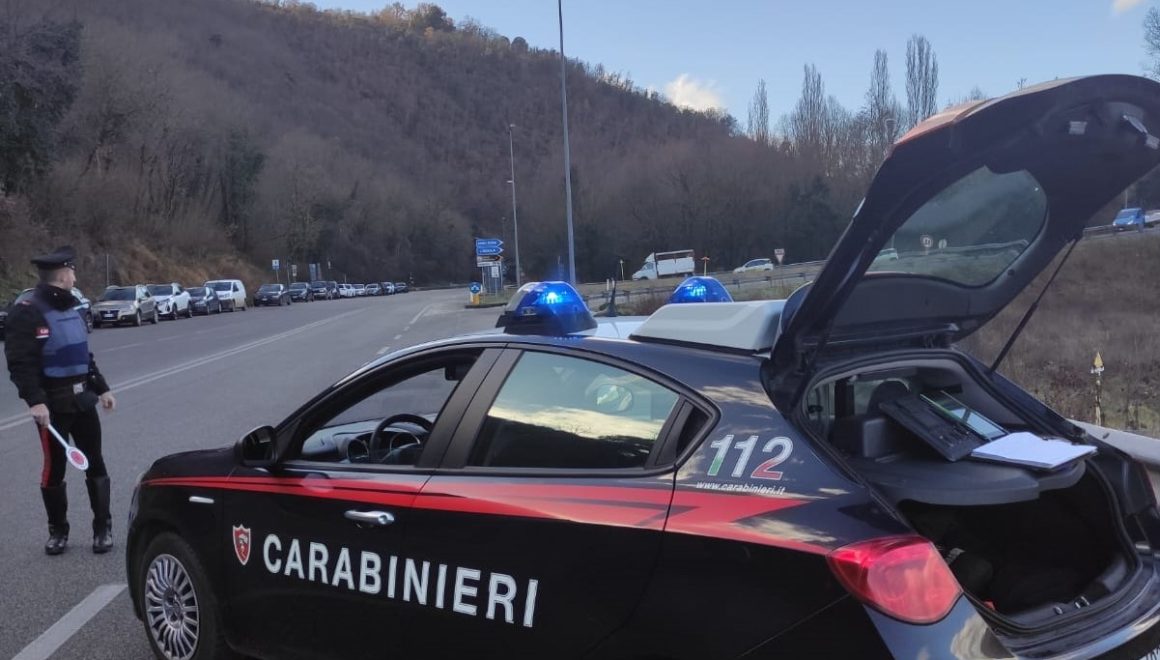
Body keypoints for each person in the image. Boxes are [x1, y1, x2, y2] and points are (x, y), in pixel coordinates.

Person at [4, 246, 117, 555]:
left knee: (96, 462)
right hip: (52, 407)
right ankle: (58, 531)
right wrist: (35, 402)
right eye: (72, 272)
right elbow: (20, 362)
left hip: (83, 401)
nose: (75, 277)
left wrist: (102, 388)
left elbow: (82, 355)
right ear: (63, 275)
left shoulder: (73, 306)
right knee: (54, 469)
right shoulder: (27, 310)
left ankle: (103, 528)